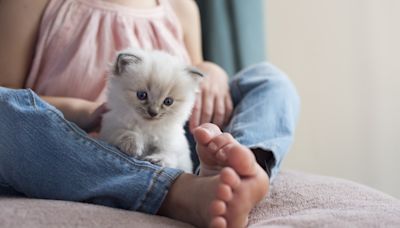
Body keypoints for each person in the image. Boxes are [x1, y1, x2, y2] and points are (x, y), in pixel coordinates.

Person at [0, 0, 300, 227]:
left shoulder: (181, 7)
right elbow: (9, 95)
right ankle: (178, 192)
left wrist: (213, 72)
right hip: (76, 152)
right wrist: (85, 111)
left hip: (175, 146)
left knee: (268, 81)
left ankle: (234, 171)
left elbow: (193, 73)